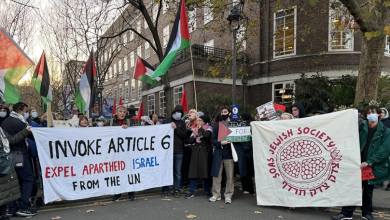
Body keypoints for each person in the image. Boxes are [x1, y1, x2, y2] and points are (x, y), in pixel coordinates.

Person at [332, 106, 390, 220]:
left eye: (373, 112)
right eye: (368, 113)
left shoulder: (385, 131)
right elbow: (346, 131)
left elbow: (384, 151)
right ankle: (346, 213)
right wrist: (350, 114)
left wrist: (369, 162)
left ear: (379, 114)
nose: (371, 114)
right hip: (357, 165)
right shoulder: (360, 127)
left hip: (370, 166)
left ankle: (367, 213)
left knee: (368, 191)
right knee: (353, 189)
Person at [1, 102, 37, 217]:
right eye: (26, 111)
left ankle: (12, 208)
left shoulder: (5, 122)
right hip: (19, 155)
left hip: (8, 156)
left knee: (14, 182)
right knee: (28, 179)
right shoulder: (19, 122)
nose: (27, 114)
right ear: (20, 112)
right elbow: (32, 136)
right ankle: (23, 207)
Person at [210, 106, 247, 204]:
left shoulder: (235, 125)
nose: (223, 113)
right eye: (221, 112)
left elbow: (245, 134)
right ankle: (216, 195)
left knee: (230, 177)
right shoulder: (217, 126)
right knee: (216, 176)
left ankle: (228, 195)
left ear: (229, 113)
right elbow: (212, 139)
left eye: (225, 112)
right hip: (219, 154)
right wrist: (219, 143)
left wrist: (251, 124)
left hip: (230, 155)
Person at [0, 125, 33, 220]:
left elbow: (11, 140)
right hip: (3, 164)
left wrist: (25, 131)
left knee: (4, 190)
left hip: (4, 164)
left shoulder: (1, 130)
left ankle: (3, 215)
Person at [105, 106, 135, 201]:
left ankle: (131, 193)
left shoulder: (129, 122)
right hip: (115, 153)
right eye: (120, 111)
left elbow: (135, 135)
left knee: (129, 172)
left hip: (126, 152)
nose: (122, 113)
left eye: (124, 112)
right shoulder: (109, 122)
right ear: (116, 113)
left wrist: (128, 130)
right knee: (116, 173)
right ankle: (117, 193)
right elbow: (102, 134)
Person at [161, 105, 186, 198]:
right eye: (177, 111)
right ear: (173, 112)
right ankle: (165, 189)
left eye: (180, 112)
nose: (178, 113)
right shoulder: (166, 121)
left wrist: (176, 129)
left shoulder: (182, 123)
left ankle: (176, 189)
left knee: (177, 172)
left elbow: (184, 135)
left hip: (179, 150)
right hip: (167, 151)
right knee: (166, 170)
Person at [186, 115, 213, 199]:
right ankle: (191, 191)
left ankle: (207, 191)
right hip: (195, 152)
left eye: (200, 120)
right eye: (197, 120)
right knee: (193, 172)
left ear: (204, 121)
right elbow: (189, 141)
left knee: (205, 172)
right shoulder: (195, 129)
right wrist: (194, 135)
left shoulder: (209, 128)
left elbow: (206, 135)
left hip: (205, 152)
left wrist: (200, 128)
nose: (198, 121)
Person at [373, 108, 390, 190]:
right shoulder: (376, 123)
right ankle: (379, 182)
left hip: (386, 145)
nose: (382, 114)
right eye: (381, 112)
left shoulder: (388, 123)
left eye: (383, 113)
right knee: (378, 165)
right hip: (377, 146)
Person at [240, 113, 255, 195]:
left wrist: (242, 149)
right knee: (243, 171)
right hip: (243, 154)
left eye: (241, 119)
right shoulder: (242, 129)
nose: (240, 121)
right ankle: (245, 187)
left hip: (248, 154)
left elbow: (249, 143)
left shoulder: (250, 129)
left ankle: (250, 188)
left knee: (248, 172)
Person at [183, 109, 198, 187]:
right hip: (187, 145)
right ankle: (187, 180)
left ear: (196, 114)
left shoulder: (197, 122)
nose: (189, 114)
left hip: (193, 146)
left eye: (192, 113)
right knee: (186, 164)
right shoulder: (188, 123)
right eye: (189, 113)